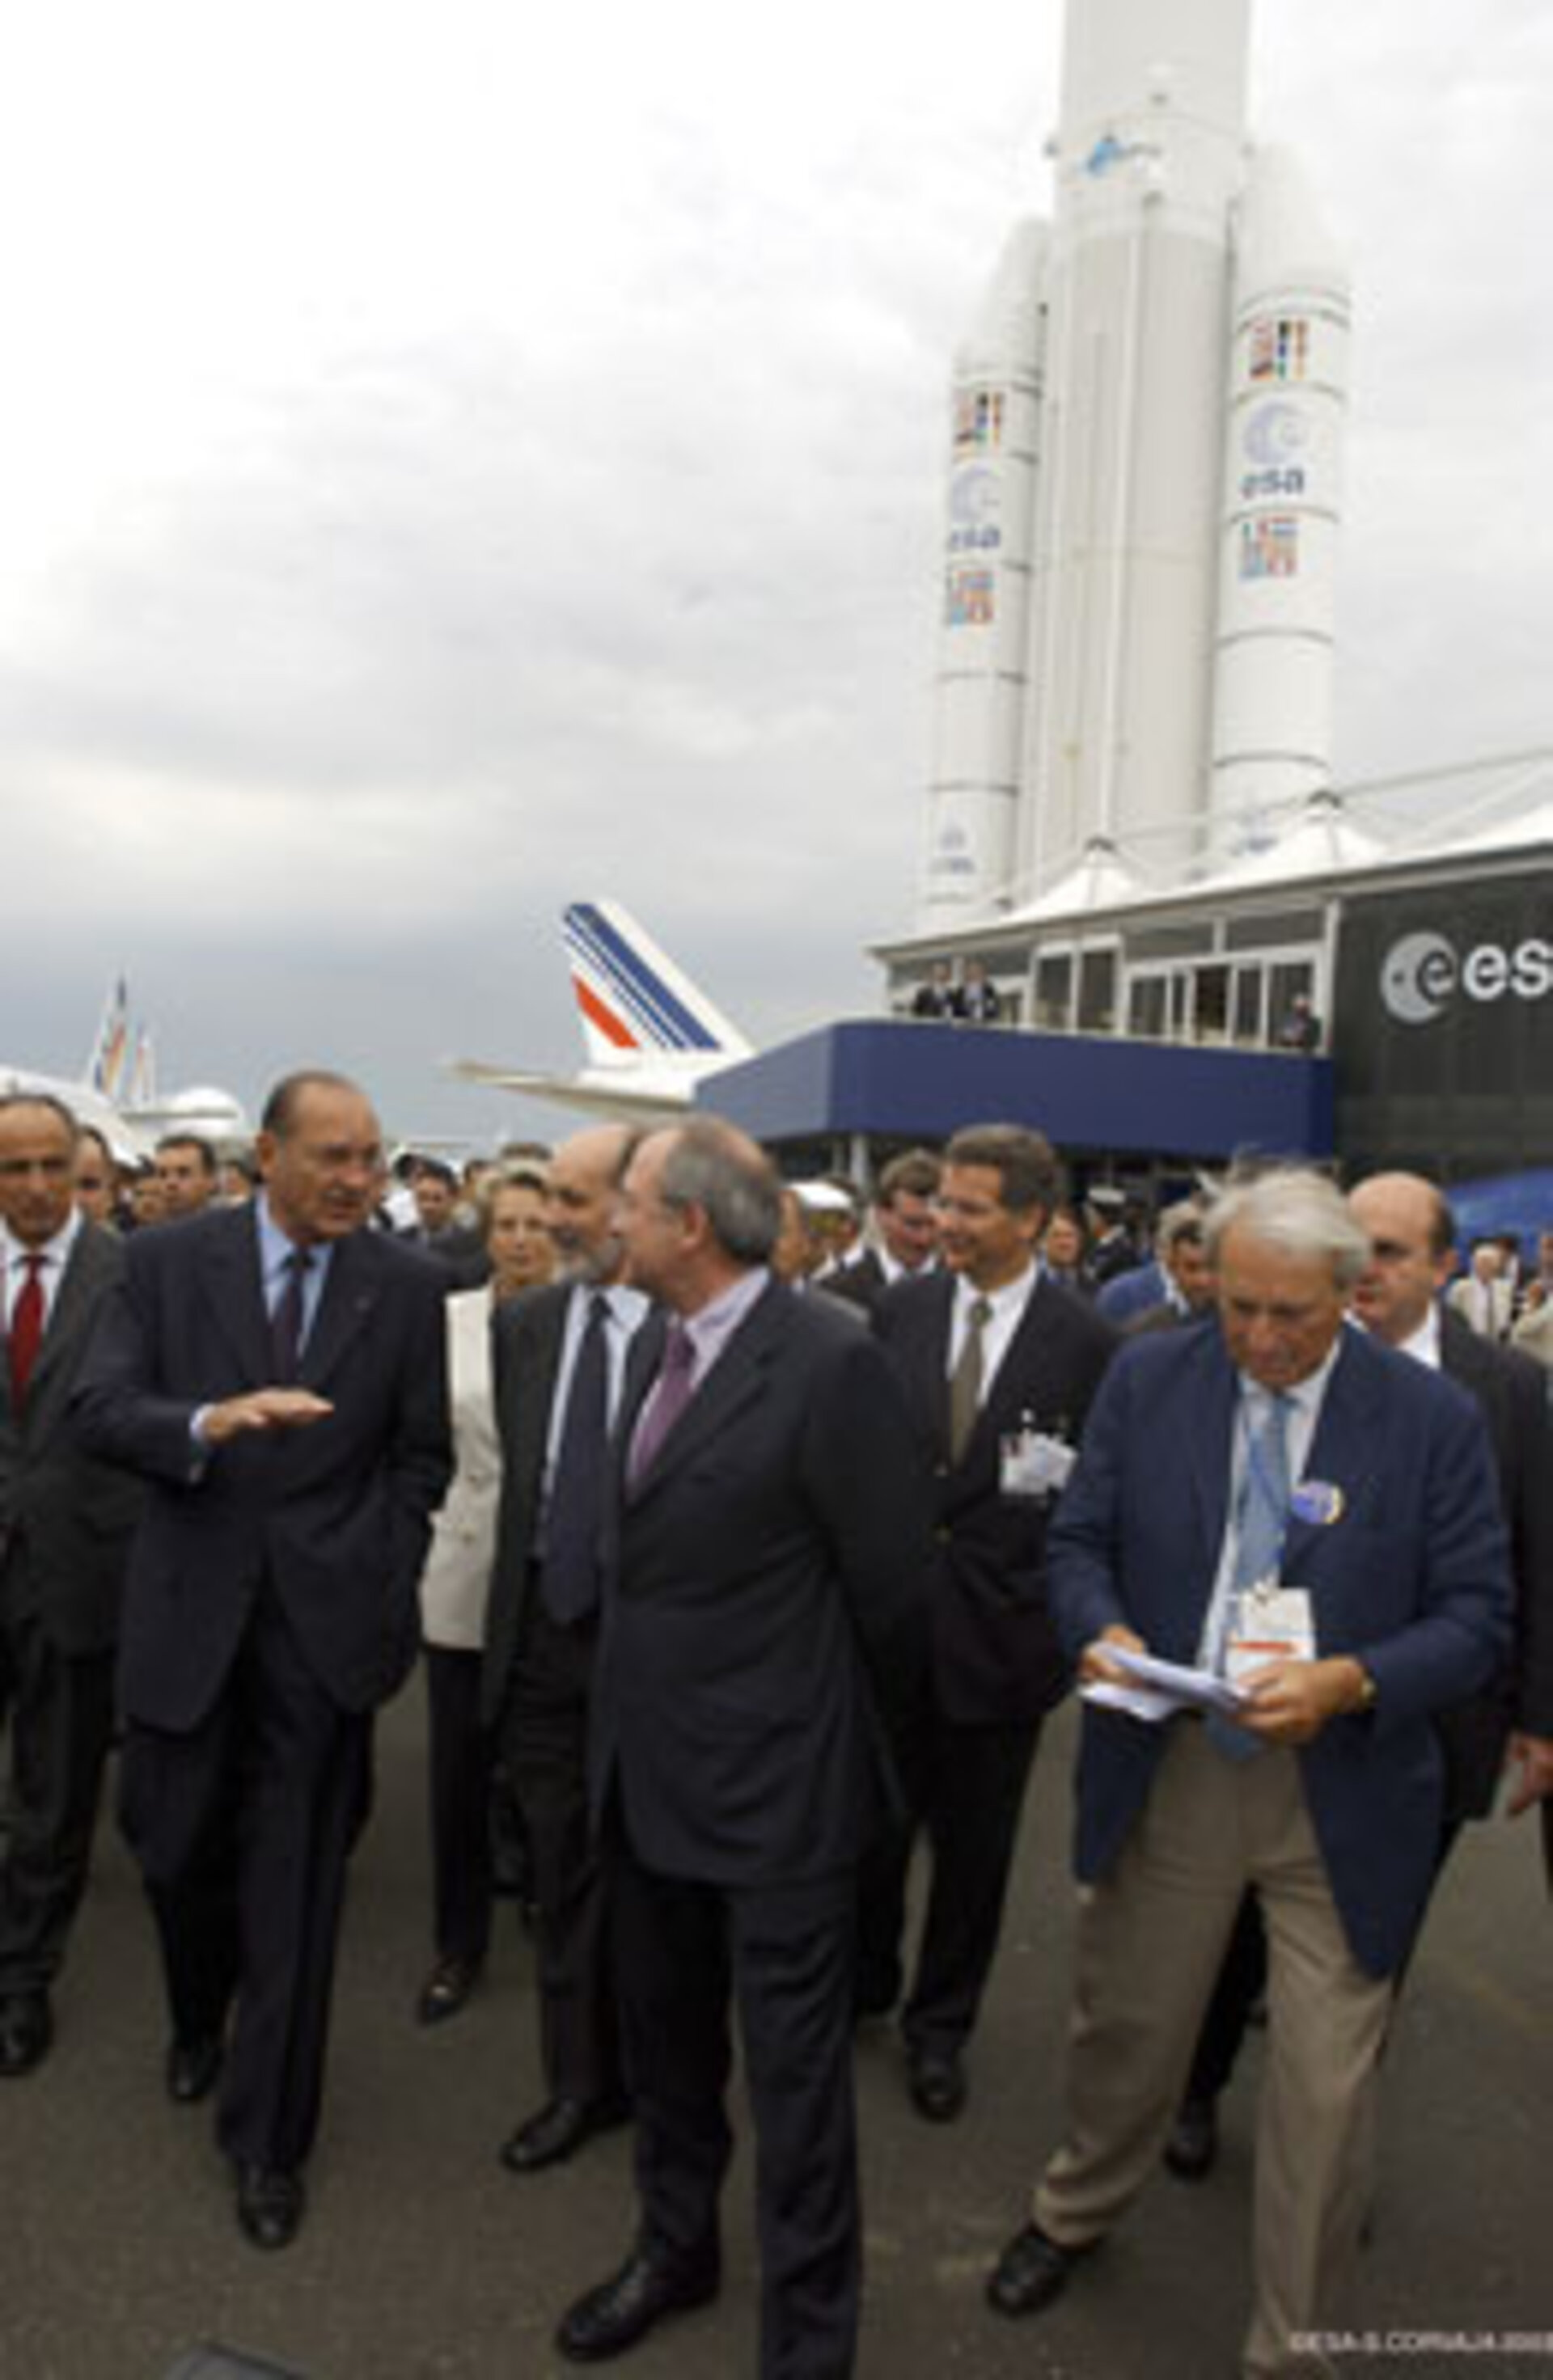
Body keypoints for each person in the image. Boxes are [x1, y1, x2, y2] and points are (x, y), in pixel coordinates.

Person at [985, 1167, 1509, 2380]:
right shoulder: (1148, 1374)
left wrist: (1355, 1677)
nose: (1264, 1341)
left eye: (1295, 1316)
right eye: (1240, 1310)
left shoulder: (1430, 1420)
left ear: (1354, 1294)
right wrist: (1100, 1627)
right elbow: (1077, 1543)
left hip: (1345, 1783)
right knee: (1129, 2024)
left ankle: (1294, 2341)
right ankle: (1076, 2203)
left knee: (1326, 2094)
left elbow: (1479, 1616)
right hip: (1174, 1757)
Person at [555, 1119, 930, 2375]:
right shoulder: (653, 1343)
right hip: (646, 1779)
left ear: (690, 1226)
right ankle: (675, 2247)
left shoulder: (832, 1362)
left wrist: (851, 1769)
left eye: (632, 1201)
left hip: (778, 1800)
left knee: (797, 2092)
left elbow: (890, 1594)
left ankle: (808, 2340)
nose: (611, 1220)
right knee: (666, 2052)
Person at [72, 1070, 452, 2251]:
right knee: (175, 1847)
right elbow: (97, 1404)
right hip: (189, 1615)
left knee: (296, 1887)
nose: (357, 1180)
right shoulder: (169, 1262)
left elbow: (420, 1457)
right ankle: (197, 2016)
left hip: (322, 1633)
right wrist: (203, 1423)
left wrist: (378, 1570)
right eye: (333, 1156)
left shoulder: (406, 1285)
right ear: (269, 1156)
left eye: (373, 1158)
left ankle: (269, 2139)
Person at [1166, 1167, 1553, 2174]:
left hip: (1423, 1727)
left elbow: (1533, 1560)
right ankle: (1194, 2092)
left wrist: (1539, 1718)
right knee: (1232, 1933)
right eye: (1354, 1247)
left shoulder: (1504, 1391)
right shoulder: (1261, 1368)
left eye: (1389, 1252)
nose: (1366, 1269)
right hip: (1263, 1714)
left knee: (1374, 1938)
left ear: (1443, 1266)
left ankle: (1329, 2146)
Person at [861, 1124, 1115, 2122]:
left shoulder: (1088, 1345)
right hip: (888, 1634)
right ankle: (863, 1983)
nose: (943, 1222)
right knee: (870, 1832)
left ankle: (940, 2029)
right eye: (940, 1203)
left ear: (1033, 1220)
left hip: (1003, 1647)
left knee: (973, 1858)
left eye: (969, 1208)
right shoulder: (900, 1311)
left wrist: (1061, 1636)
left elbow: (1093, 1507)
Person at [480, 1127, 650, 2174]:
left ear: (641, 1201)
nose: (550, 1219)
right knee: (562, 1868)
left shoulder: (698, 1329)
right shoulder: (529, 1323)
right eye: (546, 1195)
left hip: (658, 1650)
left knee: (655, 1874)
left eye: (575, 1198)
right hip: (546, 1630)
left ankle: (658, 2069)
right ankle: (577, 2080)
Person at [0, 1096, 142, 2077]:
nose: (40, 1188)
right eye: (16, 1169)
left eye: (56, 1166)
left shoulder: (132, 1275)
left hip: (81, 1567)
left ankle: (21, 1980)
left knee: (53, 1791)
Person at [415, 1165, 556, 2029]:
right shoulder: (447, 1322)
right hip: (464, 1563)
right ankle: (457, 1942)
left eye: (539, 1224)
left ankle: (550, 1906)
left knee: (546, 1768)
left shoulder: (586, 1322)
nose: (521, 1239)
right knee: (458, 1772)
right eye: (506, 1224)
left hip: (550, 1572)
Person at [827, 1149, 941, 1314]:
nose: (924, 1239)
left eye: (933, 1224)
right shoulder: (837, 1293)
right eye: (912, 1224)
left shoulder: (964, 1289)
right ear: (881, 1215)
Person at [1446, 1239, 1514, 1342]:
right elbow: (1450, 1317)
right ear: (1475, 1265)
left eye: (1490, 1263)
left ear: (1496, 1266)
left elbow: (1507, 1318)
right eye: (1482, 1263)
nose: (1486, 1267)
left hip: (1495, 1342)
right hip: (1468, 1341)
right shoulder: (1461, 1288)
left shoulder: (1505, 1288)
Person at [153, 1133, 219, 1220]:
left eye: (183, 1174)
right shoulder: (143, 1231)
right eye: (163, 1175)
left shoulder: (232, 1230)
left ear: (211, 1179)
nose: (171, 1183)